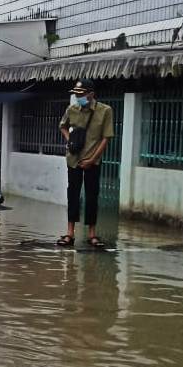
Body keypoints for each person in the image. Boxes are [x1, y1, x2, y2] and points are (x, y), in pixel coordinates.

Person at [57, 79, 114, 248]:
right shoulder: (72, 109)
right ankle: (70, 233)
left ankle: (92, 234)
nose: (77, 97)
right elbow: (62, 126)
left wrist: (92, 160)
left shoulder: (105, 111)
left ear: (91, 94)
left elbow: (106, 138)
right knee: (73, 195)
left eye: (81, 94)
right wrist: (70, 141)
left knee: (92, 196)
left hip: (93, 161)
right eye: (76, 94)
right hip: (74, 159)